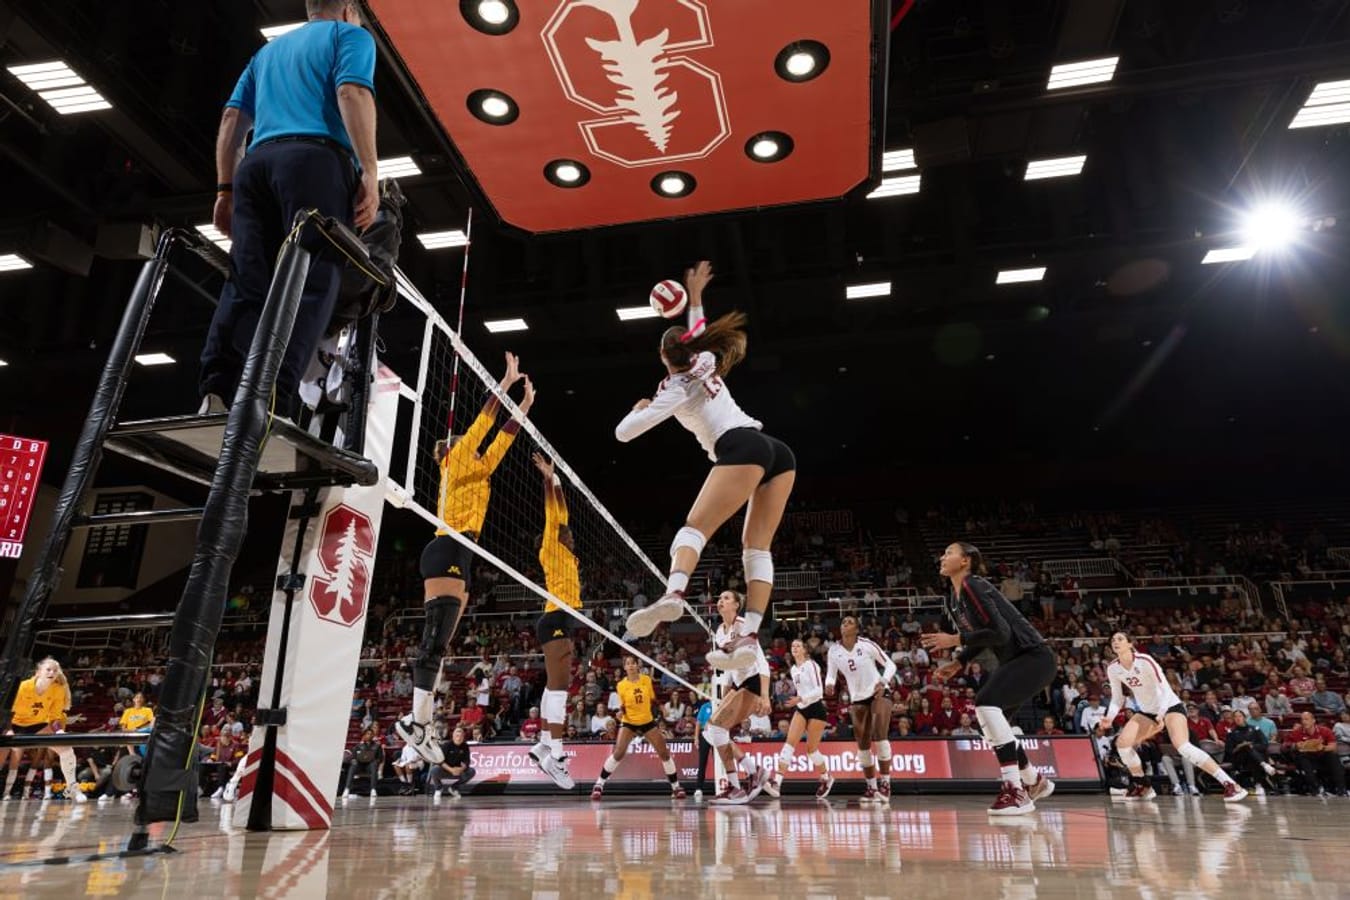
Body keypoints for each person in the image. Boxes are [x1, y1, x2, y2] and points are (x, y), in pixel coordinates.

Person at [199, 0, 380, 420]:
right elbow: (351, 91)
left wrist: (225, 188)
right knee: (313, 280)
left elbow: (231, 119)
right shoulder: (351, 36)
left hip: (256, 166)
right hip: (314, 161)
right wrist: (370, 170)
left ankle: (218, 389)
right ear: (350, 10)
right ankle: (272, 395)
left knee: (246, 280)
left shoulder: (266, 54)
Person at [619, 261, 796, 673]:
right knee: (756, 549)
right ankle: (749, 635)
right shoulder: (705, 362)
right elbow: (695, 332)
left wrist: (639, 408)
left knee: (693, 529)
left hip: (739, 447)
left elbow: (624, 434)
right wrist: (694, 296)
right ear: (688, 349)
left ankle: (673, 595)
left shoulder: (674, 390)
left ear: (662, 355)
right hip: (776, 451)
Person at [398, 353, 536, 763]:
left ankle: (418, 724)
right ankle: (414, 723)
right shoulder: (457, 460)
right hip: (447, 546)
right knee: (434, 639)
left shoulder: (479, 468)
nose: (474, 448)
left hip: (462, 551)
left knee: (440, 642)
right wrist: (506, 382)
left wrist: (526, 407)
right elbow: (485, 422)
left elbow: (502, 438)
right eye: (466, 444)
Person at [921, 543, 1056, 816]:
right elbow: (984, 636)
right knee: (991, 726)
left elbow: (1001, 633)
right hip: (1019, 662)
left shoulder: (974, 585)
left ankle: (1015, 791)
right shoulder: (955, 598)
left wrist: (956, 640)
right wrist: (960, 661)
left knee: (984, 703)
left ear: (965, 561)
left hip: (1033, 657)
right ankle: (1033, 780)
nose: (942, 556)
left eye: (949, 552)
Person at [1098, 632, 1246, 802]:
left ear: (1130, 644)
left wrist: (1161, 713)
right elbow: (1118, 697)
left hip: (1169, 705)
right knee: (1123, 744)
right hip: (1148, 711)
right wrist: (1109, 717)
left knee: (1182, 746)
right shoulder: (1113, 667)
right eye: (1113, 640)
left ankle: (1231, 784)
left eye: (1120, 639)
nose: (1115, 642)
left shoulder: (1145, 661)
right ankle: (1143, 786)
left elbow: (1164, 688)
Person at [525, 452, 580, 790]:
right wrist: (548, 478)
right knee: (560, 687)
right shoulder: (551, 544)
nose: (572, 538)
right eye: (568, 535)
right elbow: (553, 512)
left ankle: (544, 742)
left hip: (560, 620)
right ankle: (556, 756)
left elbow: (561, 509)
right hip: (554, 618)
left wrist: (558, 482)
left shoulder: (566, 552)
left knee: (553, 686)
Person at [701, 590, 772, 804]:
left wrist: (765, 696)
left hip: (754, 682)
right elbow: (729, 668)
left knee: (716, 728)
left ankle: (738, 785)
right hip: (739, 684)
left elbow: (761, 661)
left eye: (726, 598)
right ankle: (751, 773)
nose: (721, 601)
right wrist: (724, 696)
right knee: (711, 730)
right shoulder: (719, 632)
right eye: (720, 598)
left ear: (736, 605)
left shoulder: (743, 626)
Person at [591, 655, 686, 801]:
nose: (630, 666)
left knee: (664, 753)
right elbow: (623, 705)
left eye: (633, 663)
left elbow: (652, 699)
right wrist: (621, 712)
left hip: (647, 721)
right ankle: (599, 785)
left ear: (637, 665)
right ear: (624, 667)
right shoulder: (621, 685)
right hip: (629, 722)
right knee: (618, 753)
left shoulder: (646, 680)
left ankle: (676, 787)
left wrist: (661, 707)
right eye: (627, 664)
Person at [825, 616, 897, 804]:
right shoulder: (834, 650)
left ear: (857, 629)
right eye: (842, 622)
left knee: (879, 733)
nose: (844, 624)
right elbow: (831, 674)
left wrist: (883, 682)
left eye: (849, 622)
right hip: (857, 698)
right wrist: (829, 684)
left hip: (878, 692)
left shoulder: (867, 645)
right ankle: (872, 787)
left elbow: (891, 665)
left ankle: (886, 784)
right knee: (862, 744)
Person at [1, 658, 83, 803]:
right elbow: (6, 712)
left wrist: (58, 731)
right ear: (38, 672)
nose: (52, 673)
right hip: (13, 724)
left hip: (37, 725)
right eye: (48, 669)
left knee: (67, 750)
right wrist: (8, 730)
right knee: (3, 754)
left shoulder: (58, 690)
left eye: (55, 670)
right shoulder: (22, 687)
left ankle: (72, 788)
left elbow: (55, 717)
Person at [768, 638, 834, 799]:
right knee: (789, 745)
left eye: (798, 645)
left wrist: (799, 698)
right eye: (792, 646)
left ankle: (826, 777)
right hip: (802, 708)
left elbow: (819, 691)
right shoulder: (793, 669)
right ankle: (777, 782)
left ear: (805, 650)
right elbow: (801, 693)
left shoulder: (811, 665)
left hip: (816, 709)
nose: (795, 647)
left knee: (811, 751)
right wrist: (797, 701)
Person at [1284, 709, 1346, 796]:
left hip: (1321, 756)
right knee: (1302, 756)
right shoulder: (1296, 732)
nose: (1304, 722)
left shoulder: (1325, 730)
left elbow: (1333, 746)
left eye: (1306, 719)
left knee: (1333, 756)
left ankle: (1341, 789)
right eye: (1302, 720)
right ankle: (1316, 788)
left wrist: (1323, 747)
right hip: (1306, 758)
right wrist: (1295, 745)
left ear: (1313, 720)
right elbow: (1284, 746)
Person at [429, 727, 476, 799]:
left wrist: (461, 769)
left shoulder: (465, 746)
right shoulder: (446, 745)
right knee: (434, 770)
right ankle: (438, 788)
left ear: (463, 737)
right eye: (457, 735)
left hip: (458, 771)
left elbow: (467, 762)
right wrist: (451, 769)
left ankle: (454, 788)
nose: (459, 738)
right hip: (445, 770)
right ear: (453, 736)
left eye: (461, 736)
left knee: (471, 771)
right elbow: (440, 761)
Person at [342, 727, 383, 799]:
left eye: (371, 734)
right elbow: (353, 757)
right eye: (367, 734)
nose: (369, 735)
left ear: (373, 736)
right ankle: (347, 789)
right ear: (364, 735)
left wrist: (376, 761)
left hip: (370, 766)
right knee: (353, 765)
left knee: (374, 765)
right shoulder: (358, 746)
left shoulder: (377, 746)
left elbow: (380, 758)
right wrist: (354, 760)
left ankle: (373, 789)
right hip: (360, 765)